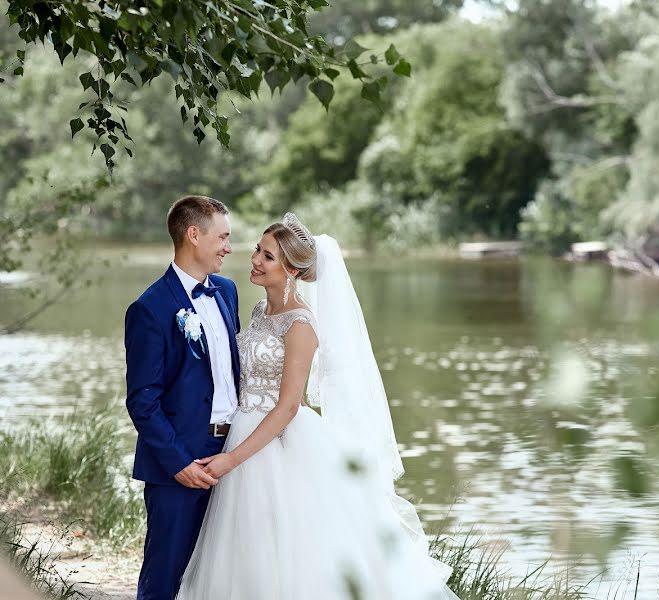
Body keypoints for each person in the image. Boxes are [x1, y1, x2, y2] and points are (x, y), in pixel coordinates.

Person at [176, 214, 458, 600]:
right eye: (258, 249)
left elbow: (290, 405)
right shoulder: (260, 311)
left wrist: (231, 459)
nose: (255, 259)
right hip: (244, 426)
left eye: (269, 257)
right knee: (245, 546)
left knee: (290, 549)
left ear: (292, 269)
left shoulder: (301, 325)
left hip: (275, 442)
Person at [124, 196, 240, 600]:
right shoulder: (150, 308)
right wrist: (179, 464)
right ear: (194, 235)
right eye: (223, 237)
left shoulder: (226, 291)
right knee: (166, 574)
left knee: (221, 573)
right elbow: (142, 401)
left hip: (234, 455)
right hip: (180, 462)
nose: (228, 246)